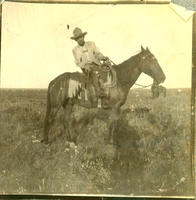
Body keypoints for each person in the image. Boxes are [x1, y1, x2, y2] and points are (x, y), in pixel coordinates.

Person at [71, 27, 110, 108]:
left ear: (83, 37)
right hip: (86, 68)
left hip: (96, 65)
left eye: (80, 37)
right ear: (76, 40)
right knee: (95, 76)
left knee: (108, 70)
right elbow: (78, 62)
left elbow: (97, 54)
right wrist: (84, 66)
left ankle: (111, 94)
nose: (80, 40)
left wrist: (103, 58)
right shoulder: (75, 50)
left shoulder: (91, 44)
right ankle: (100, 97)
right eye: (77, 39)